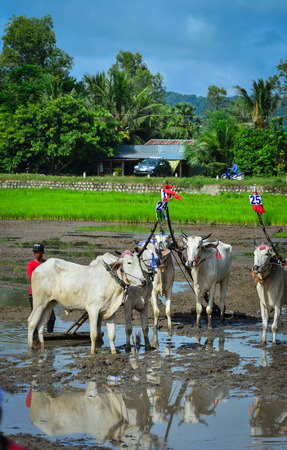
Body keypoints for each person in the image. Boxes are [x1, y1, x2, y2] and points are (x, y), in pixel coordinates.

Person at [27, 243, 55, 333]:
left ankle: (49, 335)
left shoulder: (47, 264)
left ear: (42, 252)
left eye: (38, 252)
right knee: (36, 317)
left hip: (48, 295)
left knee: (51, 318)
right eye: (35, 252)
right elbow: (34, 280)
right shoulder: (30, 265)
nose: (36, 254)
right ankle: (35, 336)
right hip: (35, 294)